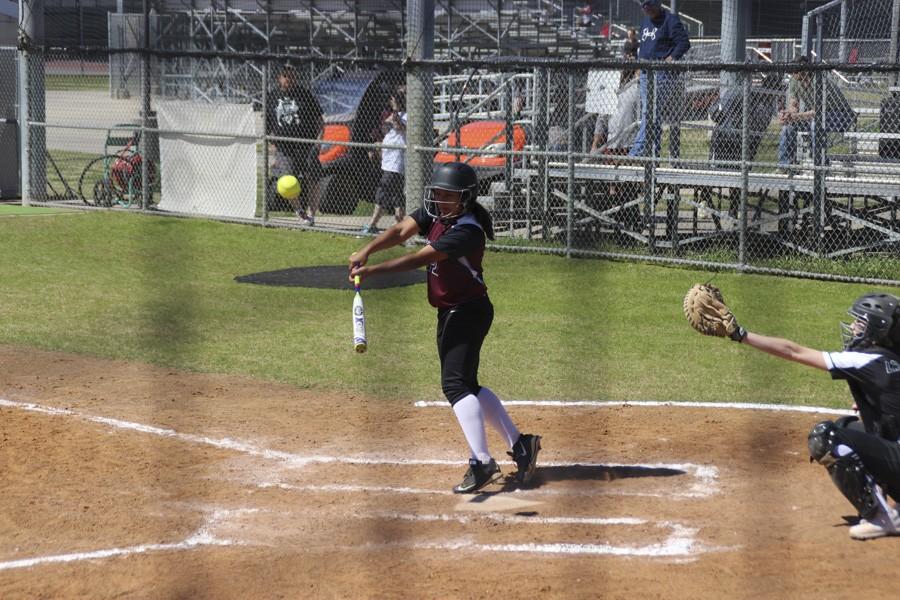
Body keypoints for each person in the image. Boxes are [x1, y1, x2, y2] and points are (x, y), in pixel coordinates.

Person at [348, 162, 542, 493]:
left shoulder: (467, 230)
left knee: (455, 386)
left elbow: (419, 258)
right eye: (436, 192)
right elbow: (399, 232)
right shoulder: (438, 213)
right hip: (454, 311)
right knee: (467, 384)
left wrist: (373, 272)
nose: (438, 198)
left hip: (466, 312)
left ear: (464, 199)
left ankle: (481, 462)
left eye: (446, 194)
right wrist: (367, 249)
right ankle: (521, 444)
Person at [719, 291, 900, 540]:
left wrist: (740, 335)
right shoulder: (892, 359)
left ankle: (880, 518)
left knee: (826, 437)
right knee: (848, 426)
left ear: (877, 329)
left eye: (859, 322)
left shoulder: (864, 360)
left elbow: (794, 351)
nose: (852, 327)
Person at [628, 0, 691, 161]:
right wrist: (638, 67)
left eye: (648, 5)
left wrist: (672, 58)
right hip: (645, 72)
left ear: (657, 4)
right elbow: (644, 47)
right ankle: (652, 156)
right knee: (650, 115)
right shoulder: (644, 22)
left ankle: (636, 154)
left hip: (662, 74)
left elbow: (684, 42)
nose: (646, 9)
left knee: (651, 113)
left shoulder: (671, 20)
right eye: (644, 6)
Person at [265, 65, 324, 226]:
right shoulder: (271, 97)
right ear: (280, 78)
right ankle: (300, 212)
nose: (289, 79)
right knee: (287, 180)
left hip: (306, 145)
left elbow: (320, 121)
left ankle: (312, 214)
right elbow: (267, 127)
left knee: (315, 178)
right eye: (286, 76)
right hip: (284, 147)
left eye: (292, 76)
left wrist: (318, 142)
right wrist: (273, 148)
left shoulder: (305, 95)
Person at [777, 55, 857, 171]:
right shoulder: (794, 80)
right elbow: (793, 105)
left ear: (804, 70)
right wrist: (788, 114)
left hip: (841, 115)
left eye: (795, 71)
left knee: (816, 124)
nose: (792, 74)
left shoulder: (819, 80)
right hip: (817, 116)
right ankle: (785, 165)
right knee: (788, 127)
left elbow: (817, 112)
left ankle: (820, 163)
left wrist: (795, 116)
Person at [361, 87, 407, 235]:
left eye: (393, 100)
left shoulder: (407, 115)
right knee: (396, 196)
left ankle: (372, 224)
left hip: (396, 162)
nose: (390, 102)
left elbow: (400, 127)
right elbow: (387, 131)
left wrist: (395, 111)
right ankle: (400, 229)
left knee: (382, 191)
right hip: (388, 160)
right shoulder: (393, 115)